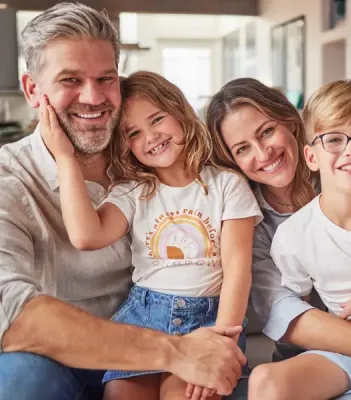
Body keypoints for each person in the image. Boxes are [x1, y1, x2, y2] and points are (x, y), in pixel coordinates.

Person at [0, 4, 248, 400]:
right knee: (17, 378)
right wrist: (176, 352)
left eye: (105, 78)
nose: (93, 97)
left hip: (185, 335)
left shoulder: (153, 168)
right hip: (65, 359)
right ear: (33, 90)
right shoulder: (7, 177)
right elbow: (8, 310)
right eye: (70, 79)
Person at [40, 70, 262, 400]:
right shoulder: (134, 191)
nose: (151, 137)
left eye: (157, 119)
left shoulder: (226, 184)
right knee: (120, 394)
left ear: (180, 110)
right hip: (142, 317)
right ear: (124, 144)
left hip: (210, 322)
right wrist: (65, 157)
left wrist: (221, 343)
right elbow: (86, 235)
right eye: (134, 133)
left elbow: (237, 271)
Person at [206, 77, 351, 400]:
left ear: (289, 122)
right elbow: (284, 312)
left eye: (266, 131)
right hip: (327, 355)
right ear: (233, 161)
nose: (263, 152)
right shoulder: (252, 223)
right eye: (242, 149)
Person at [265, 79, 351, 400]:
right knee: (266, 383)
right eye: (334, 139)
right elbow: (293, 319)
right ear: (311, 157)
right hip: (348, 356)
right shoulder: (293, 236)